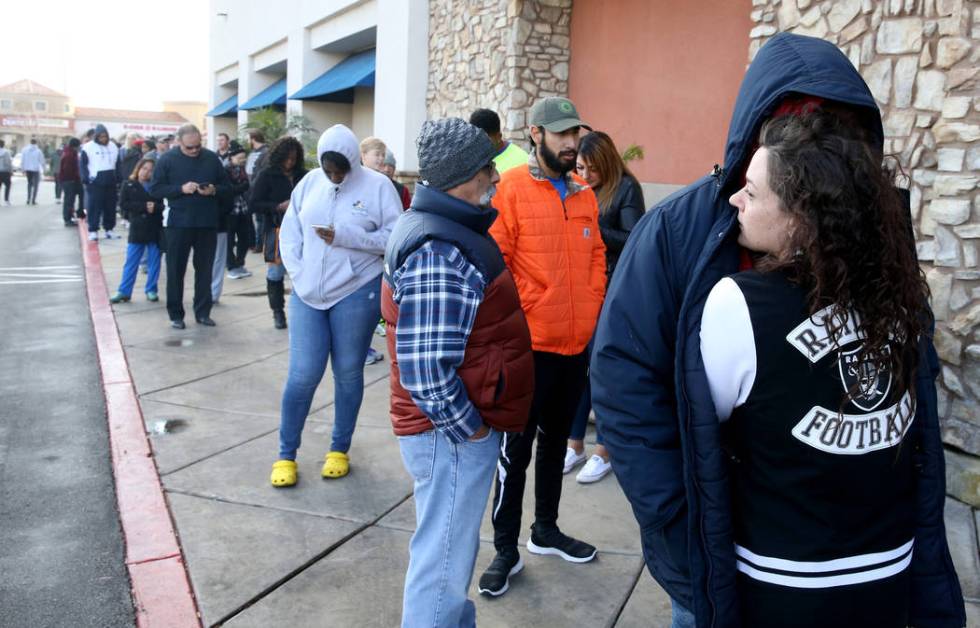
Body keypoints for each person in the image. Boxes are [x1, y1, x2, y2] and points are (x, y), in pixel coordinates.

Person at [590, 33, 966, 628]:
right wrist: (682, 524)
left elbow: (906, 378)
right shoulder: (676, 231)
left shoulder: (877, 227)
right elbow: (626, 384)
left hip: (862, 562)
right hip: (726, 553)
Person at [697, 110, 950, 628]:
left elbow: (710, 423)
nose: (733, 200)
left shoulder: (736, 303)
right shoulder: (899, 293)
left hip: (784, 575)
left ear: (799, 216)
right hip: (889, 566)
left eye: (752, 191)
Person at [383, 117, 533, 626]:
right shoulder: (438, 248)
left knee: (446, 555)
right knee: (442, 564)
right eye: (486, 167)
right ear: (459, 177)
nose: (495, 176)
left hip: (448, 432)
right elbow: (426, 373)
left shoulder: (447, 228)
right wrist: (473, 430)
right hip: (448, 433)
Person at [478, 96, 606, 597]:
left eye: (575, 133)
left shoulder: (584, 193)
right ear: (536, 135)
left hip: (574, 346)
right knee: (516, 451)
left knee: (557, 445)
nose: (572, 143)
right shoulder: (508, 190)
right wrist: (531, 310)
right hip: (529, 348)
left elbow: (596, 256)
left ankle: (546, 530)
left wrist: (591, 305)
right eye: (561, 134)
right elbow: (497, 263)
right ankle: (505, 548)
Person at [269, 124, 400, 486]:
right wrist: (299, 273)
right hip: (308, 294)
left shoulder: (377, 186)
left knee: (347, 372)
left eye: (341, 169)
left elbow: (393, 238)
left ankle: (339, 448)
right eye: (329, 169)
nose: (335, 176)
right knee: (303, 374)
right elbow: (291, 231)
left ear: (354, 161)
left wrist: (345, 236)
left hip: (356, 291)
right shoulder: (309, 183)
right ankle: (285, 454)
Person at [563, 130, 645, 484]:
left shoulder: (626, 188)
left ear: (607, 164)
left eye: (593, 169)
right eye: (581, 167)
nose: (586, 174)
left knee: (602, 371)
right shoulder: (577, 187)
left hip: (612, 290)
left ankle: (605, 450)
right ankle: (574, 443)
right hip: (582, 287)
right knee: (581, 366)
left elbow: (634, 239)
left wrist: (592, 227)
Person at [150, 124, 230, 329]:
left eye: (197, 146)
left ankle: (203, 312)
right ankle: (176, 314)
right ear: (179, 142)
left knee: (205, 270)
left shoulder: (211, 158)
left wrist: (213, 190)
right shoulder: (167, 159)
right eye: (189, 148)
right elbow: (156, 189)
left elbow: (227, 187)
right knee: (176, 270)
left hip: (206, 222)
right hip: (178, 223)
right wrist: (180, 189)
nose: (194, 151)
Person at [248, 136, 307, 329]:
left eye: (293, 158)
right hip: (275, 229)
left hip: (301, 231)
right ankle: (277, 312)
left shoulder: (303, 175)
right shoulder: (267, 175)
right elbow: (254, 203)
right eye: (286, 158)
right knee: (275, 272)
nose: (290, 162)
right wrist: (277, 206)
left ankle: (303, 310)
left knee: (303, 271)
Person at [110, 158, 163, 304]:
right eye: (144, 168)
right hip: (137, 227)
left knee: (154, 261)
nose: (147, 172)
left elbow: (163, 206)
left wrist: (156, 208)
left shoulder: (157, 186)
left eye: (150, 170)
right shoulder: (129, 184)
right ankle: (124, 291)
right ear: (138, 169)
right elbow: (123, 205)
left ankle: (151, 289)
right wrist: (144, 207)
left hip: (154, 227)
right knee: (131, 261)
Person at [359, 136, 390, 367]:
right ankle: (361, 349)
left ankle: (364, 346)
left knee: (374, 308)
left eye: (382, 154)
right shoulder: (358, 183)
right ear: (363, 156)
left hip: (381, 253)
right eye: (375, 154)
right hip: (363, 256)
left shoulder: (384, 182)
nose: (380, 158)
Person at [80, 125, 120, 240]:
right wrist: (86, 179)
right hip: (95, 181)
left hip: (110, 180)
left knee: (110, 207)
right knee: (94, 207)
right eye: (101, 136)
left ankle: (109, 229)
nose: (103, 139)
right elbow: (83, 164)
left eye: (105, 136)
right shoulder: (88, 147)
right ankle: (93, 230)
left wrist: (119, 177)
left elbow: (118, 163)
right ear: (96, 136)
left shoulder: (113, 146)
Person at [223, 144, 253, 280]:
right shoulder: (225, 170)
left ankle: (240, 263)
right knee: (229, 240)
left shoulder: (241, 169)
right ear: (232, 157)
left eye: (244, 158)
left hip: (243, 208)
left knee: (244, 239)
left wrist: (241, 187)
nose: (243, 160)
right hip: (230, 211)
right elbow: (230, 189)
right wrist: (241, 187)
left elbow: (246, 185)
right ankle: (231, 266)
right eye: (240, 158)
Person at [469, 108, 529, 173]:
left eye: (484, 141)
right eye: (476, 140)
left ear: (498, 137)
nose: (479, 146)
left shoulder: (521, 162)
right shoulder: (474, 159)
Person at [246, 129, 269, 251]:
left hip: (258, 191)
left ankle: (259, 244)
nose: (247, 141)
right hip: (249, 191)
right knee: (254, 219)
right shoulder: (252, 152)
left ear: (253, 138)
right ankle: (254, 243)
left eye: (248, 138)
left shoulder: (265, 152)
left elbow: (262, 173)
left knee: (260, 219)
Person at [59, 138, 83, 226]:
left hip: (69, 180)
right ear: (75, 146)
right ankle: (67, 218)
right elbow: (67, 169)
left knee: (70, 200)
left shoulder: (70, 153)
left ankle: (70, 216)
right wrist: (74, 178)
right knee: (69, 200)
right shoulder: (69, 155)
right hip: (69, 180)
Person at [21, 139, 45, 205]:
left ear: (30, 142)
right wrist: (43, 169)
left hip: (28, 169)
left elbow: (22, 160)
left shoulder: (24, 150)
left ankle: (28, 199)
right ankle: (33, 200)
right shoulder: (38, 151)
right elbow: (42, 161)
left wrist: (22, 169)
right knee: (36, 185)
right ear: (36, 143)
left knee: (29, 184)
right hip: (35, 170)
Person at [0, 139, 12, 206]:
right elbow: (8, 162)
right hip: (5, 171)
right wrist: (10, 170)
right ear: (3, 145)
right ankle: (6, 200)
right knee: (8, 185)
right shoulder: (6, 152)